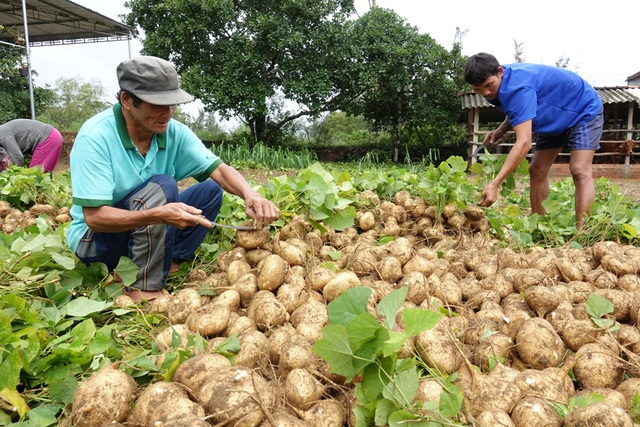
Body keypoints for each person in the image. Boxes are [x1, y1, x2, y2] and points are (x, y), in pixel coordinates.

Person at [66, 55, 281, 302]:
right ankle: (142, 286)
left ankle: (169, 260)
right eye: (157, 105)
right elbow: (95, 219)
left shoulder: (172, 131)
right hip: (97, 242)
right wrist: (158, 214)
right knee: (163, 185)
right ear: (127, 100)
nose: (168, 113)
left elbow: (219, 170)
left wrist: (250, 195)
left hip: (143, 224)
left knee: (210, 190)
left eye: (172, 105)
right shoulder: (96, 136)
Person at [463, 52, 603, 230]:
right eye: (478, 90)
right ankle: (539, 226)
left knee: (579, 169)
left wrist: (495, 183)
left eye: (489, 86)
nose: (486, 93)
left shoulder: (518, 86)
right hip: (550, 118)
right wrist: (502, 129)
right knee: (536, 170)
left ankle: (584, 233)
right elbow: (516, 108)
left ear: (500, 71)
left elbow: (524, 143)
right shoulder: (496, 86)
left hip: (581, 109)